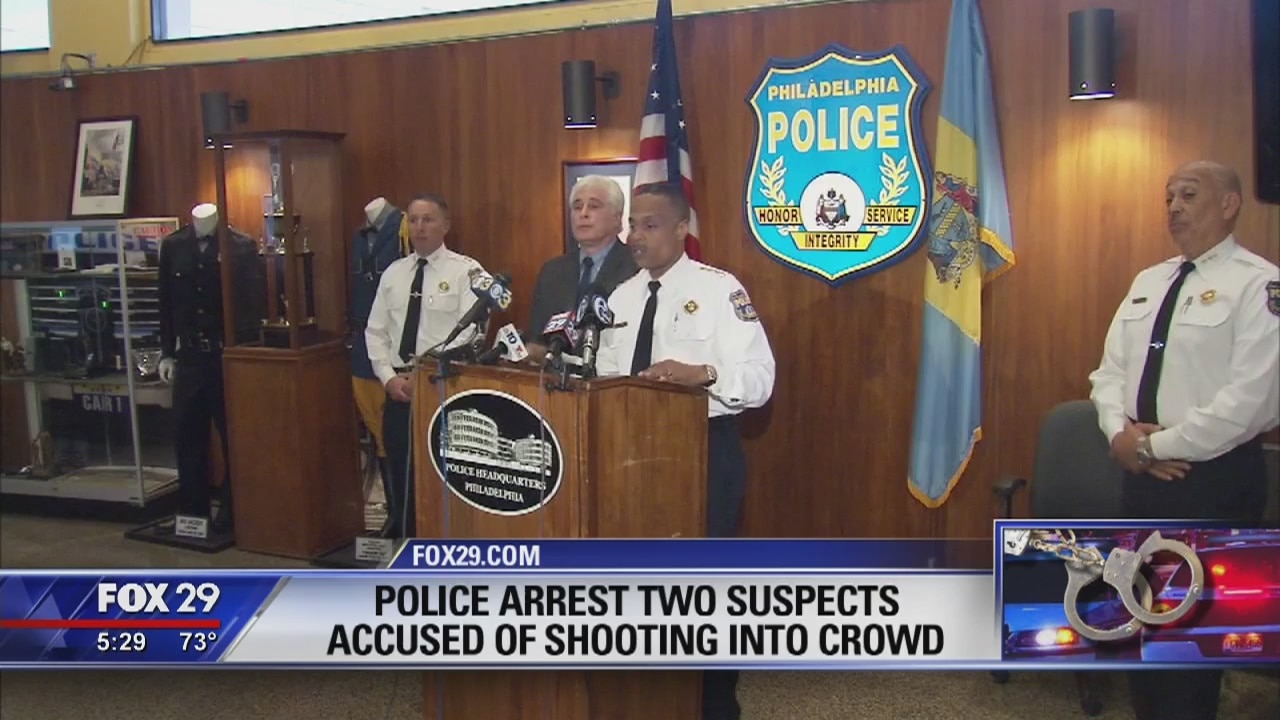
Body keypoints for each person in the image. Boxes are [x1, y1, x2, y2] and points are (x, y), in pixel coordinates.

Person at [1088, 160, 1279, 720]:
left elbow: (1252, 402)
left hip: (1212, 481)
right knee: (1142, 621)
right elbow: (1108, 374)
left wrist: (1156, 446)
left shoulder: (1258, 284)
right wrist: (1120, 436)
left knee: (1191, 640)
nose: (1173, 207)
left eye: (1189, 195)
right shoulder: (1149, 282)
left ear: (1229, 204)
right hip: (1142, 480)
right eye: (1169, 196)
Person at [595, 182, 775, 720]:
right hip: (628, 455)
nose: (636, 236)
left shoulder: (719, 290)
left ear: (681, 230)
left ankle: (715, 702)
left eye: (650, 225)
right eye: (633, 225)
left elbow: (761, 379)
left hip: (703, 452)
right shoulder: (619, 299)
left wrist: (705, 373)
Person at [365, 193, 488, 538]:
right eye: (413, 220)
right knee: (402, 474)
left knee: (442, 479)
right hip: (399, 392)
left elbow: (472, 336)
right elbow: (375, 332)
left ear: (445, 225)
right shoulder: (394, 273)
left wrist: (425, 375)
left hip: (443, 392)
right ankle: (406, 542)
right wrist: (388, 379)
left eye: (428, 219)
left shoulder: (467, 272)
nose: (419, 227)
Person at [157, 203, 264, 532]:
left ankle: (232, 515)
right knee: (187, 436)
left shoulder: (241, 246)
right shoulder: (173, 246)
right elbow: (165, 302)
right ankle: (192, 514)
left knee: (233, 436)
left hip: (225, 356)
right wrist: (166, 353)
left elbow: (252, 304)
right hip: (189, 357)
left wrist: (248, 355)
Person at [525, 175, 638, 363]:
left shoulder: (637, 268)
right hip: (555, 376)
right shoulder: (552, 271)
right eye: (577, 207)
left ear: (617, 218)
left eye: (594, 206)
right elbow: (536, 339)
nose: (583, 214)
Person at [349, 196, 406, 508]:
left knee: (398, 433)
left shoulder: (405, 230)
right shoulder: (359, 237)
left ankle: (401, 512)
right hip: (362, 345)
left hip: (395, 347)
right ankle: (391, 509)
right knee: (375, 428)